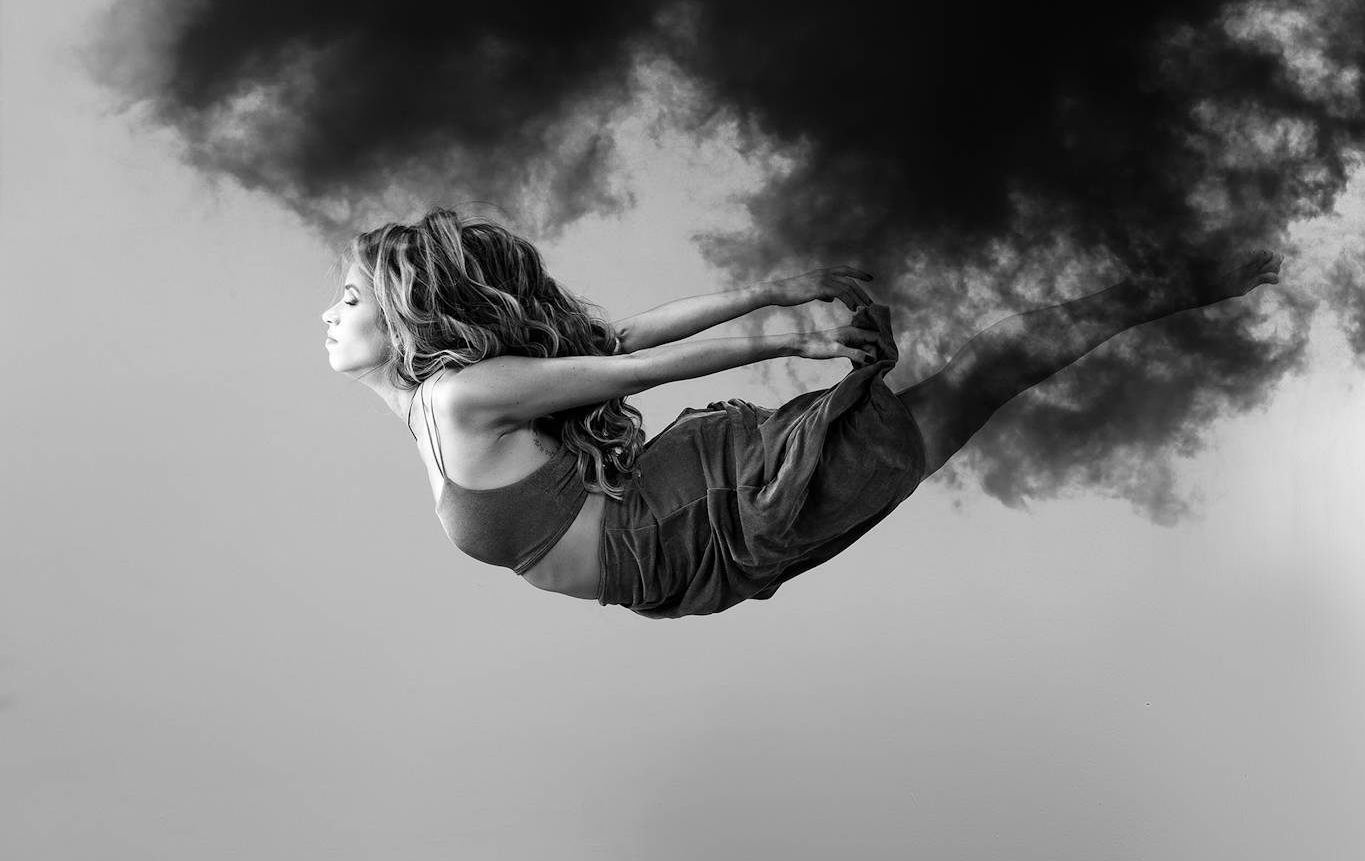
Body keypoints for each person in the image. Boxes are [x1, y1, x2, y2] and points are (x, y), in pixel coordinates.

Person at [322, 207, 1283, 618]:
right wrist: (772, 299)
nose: (330, 313)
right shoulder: (437, 408)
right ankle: (1178, 279)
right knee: (976, 384)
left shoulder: (458, 398)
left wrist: (788, 323)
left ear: (404, 317)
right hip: (692, 543)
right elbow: (618, 341)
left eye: (350, 298)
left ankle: (1187, 277)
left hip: (710, 510)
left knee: (983, 376)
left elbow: (634, 362)